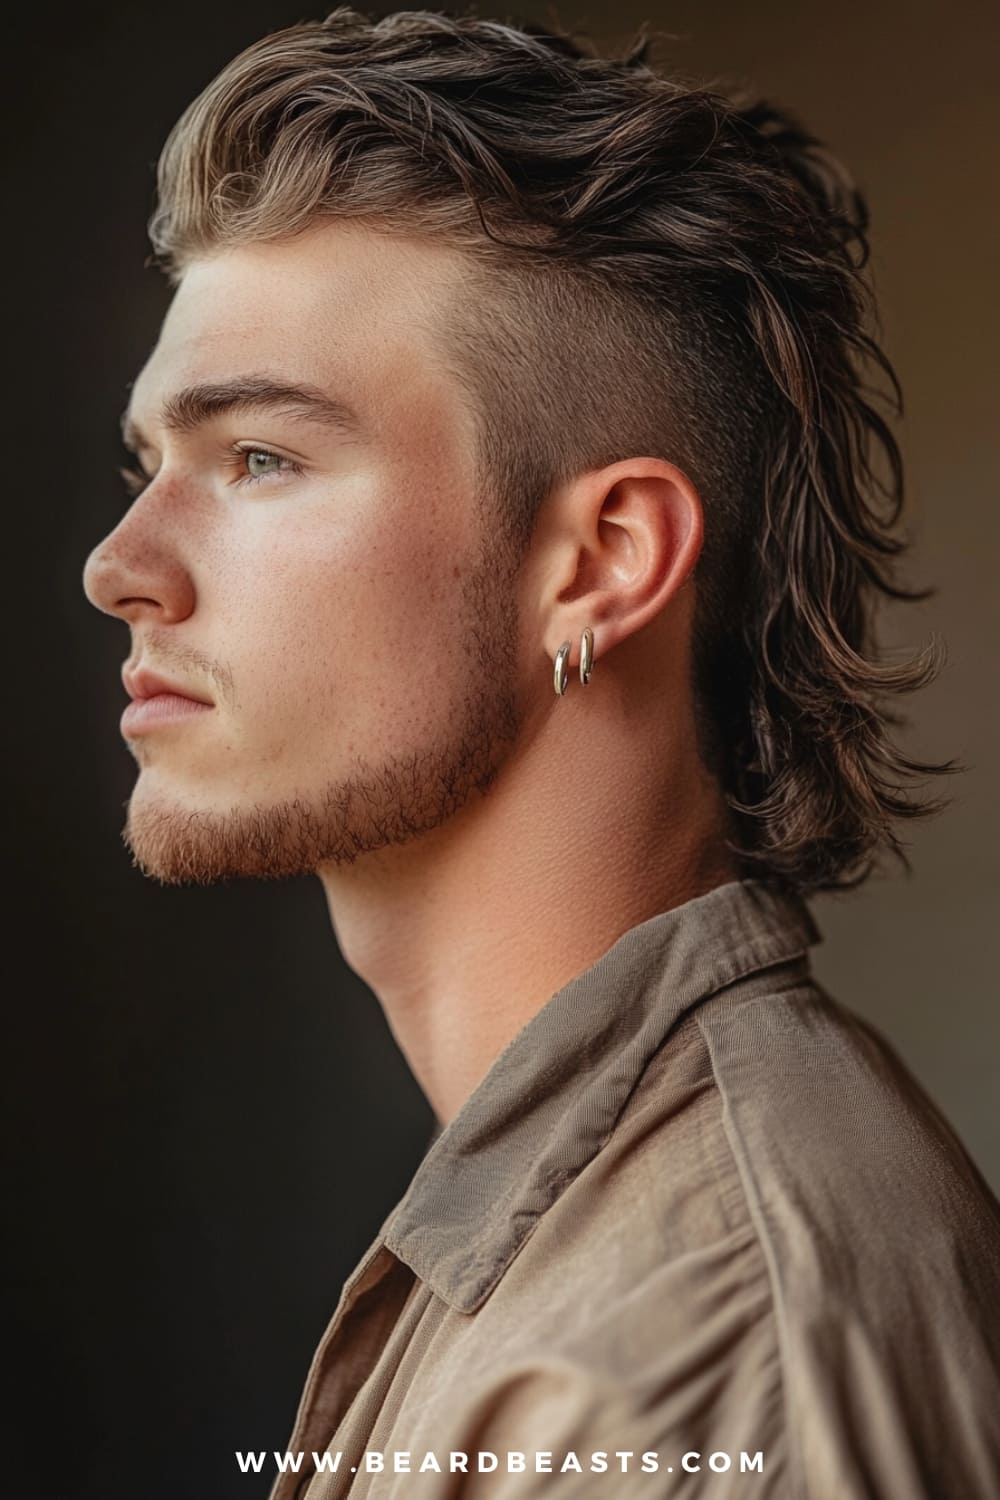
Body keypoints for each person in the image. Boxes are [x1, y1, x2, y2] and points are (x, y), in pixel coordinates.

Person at [82, 8, 1000, 1496]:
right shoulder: (571, 1244)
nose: (120, 566)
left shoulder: (708, 1352)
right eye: (150, 467)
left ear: (601, 564)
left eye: (258, 457)